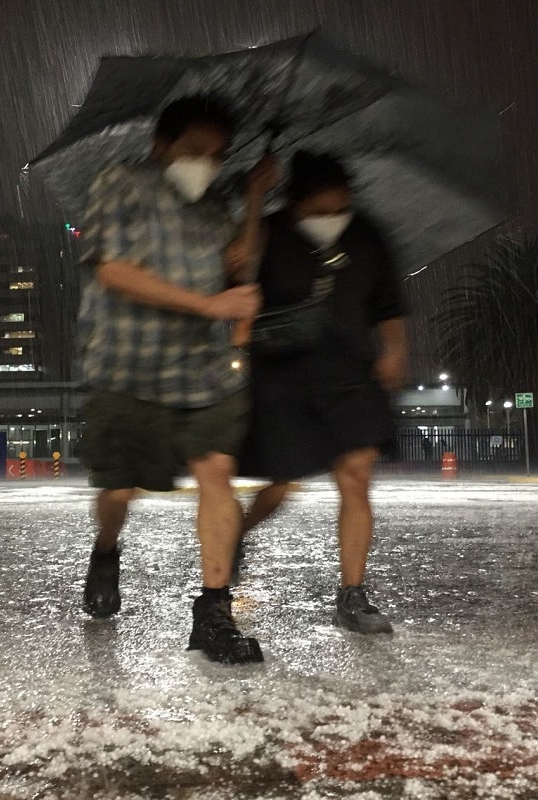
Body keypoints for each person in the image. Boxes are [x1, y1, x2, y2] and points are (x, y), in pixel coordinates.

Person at [77, 95, 275, 664]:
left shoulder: (215, 207)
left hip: (203, 371)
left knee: (217, 473)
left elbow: (240, 263)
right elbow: (114, 270)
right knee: (118, 491)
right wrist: (209, 305)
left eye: (217, 155)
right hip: (127, 368)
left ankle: (212, 612)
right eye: (194, 151)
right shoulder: (121, 184)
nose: (206, 164)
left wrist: (256, 195)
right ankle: (107, 548)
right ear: (160, 145)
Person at [237, 151, 409, 634]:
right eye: (319, 211)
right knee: (281, 484)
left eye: (340, 209)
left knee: (355, 477)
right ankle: (239, 536)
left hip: (351, 375)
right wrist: (253, 197)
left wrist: (394, 348)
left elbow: (389, 301)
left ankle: (352, 595)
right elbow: (235, 265)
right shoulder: (269, 230)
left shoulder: (368, 236)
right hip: (283, 377)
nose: (331, 219)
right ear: (295, 204)